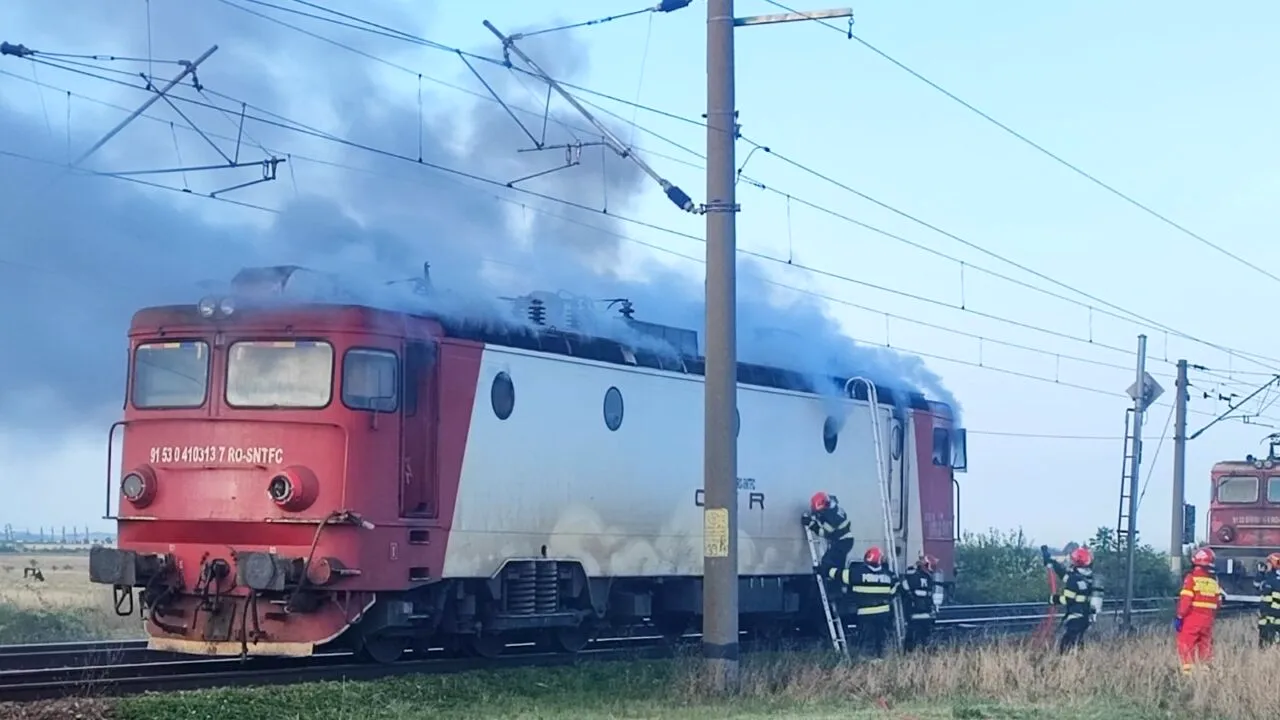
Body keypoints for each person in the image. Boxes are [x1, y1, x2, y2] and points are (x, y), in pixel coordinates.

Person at [828, 546, 898, 658]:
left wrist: (825, 569)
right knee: (881, 638)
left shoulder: (857, 573)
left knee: (867, 639)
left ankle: (868, 661)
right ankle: (881, 660)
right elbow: (894, 590)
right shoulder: (888, 575)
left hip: (865, 613)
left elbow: (839, 575)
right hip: (883, 613)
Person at [1039, 545, 1099, 653]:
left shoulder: (1074, 579)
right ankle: (1080, 663)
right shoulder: (1087, 578)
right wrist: (1053, 562)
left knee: (1066, 644)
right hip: (1085, 617)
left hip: (1075, 617)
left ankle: (1068, 665)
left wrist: (1053, 599)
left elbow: (1067, 600)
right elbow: (1065, 575)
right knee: (1078, 642)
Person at [1174, 547, 1224, 674]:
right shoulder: (1213, 582)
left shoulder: (1191, 578)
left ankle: (1188, 674)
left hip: (1192, 618)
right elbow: (1218, 603)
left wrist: (1180, 616)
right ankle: (1205, 672)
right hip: (1208, 620)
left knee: (1186, 644)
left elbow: (1186, 600)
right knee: (1205, 646)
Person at [803, 491, 854, 575]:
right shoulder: (833, 507)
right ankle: (836, 582)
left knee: (828, 561)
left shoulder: (832, 517)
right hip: (844, 541)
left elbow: (823, 532)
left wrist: (811, 524)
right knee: (837, 564)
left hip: (843, 542)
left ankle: (830, 580)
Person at [900, 554, 939, 652]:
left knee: (913, 635)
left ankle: (909, 653)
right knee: (922, 636)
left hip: (916, 612)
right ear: (926, 565)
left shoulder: (915, 575)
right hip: (919, 611)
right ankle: (919, 652)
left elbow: (904, 588)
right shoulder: (924, 578)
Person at [1258, 552, 1280, 647]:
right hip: (1268, 616)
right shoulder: (1271, 577)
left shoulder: (1273, 580)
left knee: (1268, 641)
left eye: (1269, 563)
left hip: (1271, 617)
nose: (1267, 566)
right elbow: (1258, 586)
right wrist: (1260, 573)